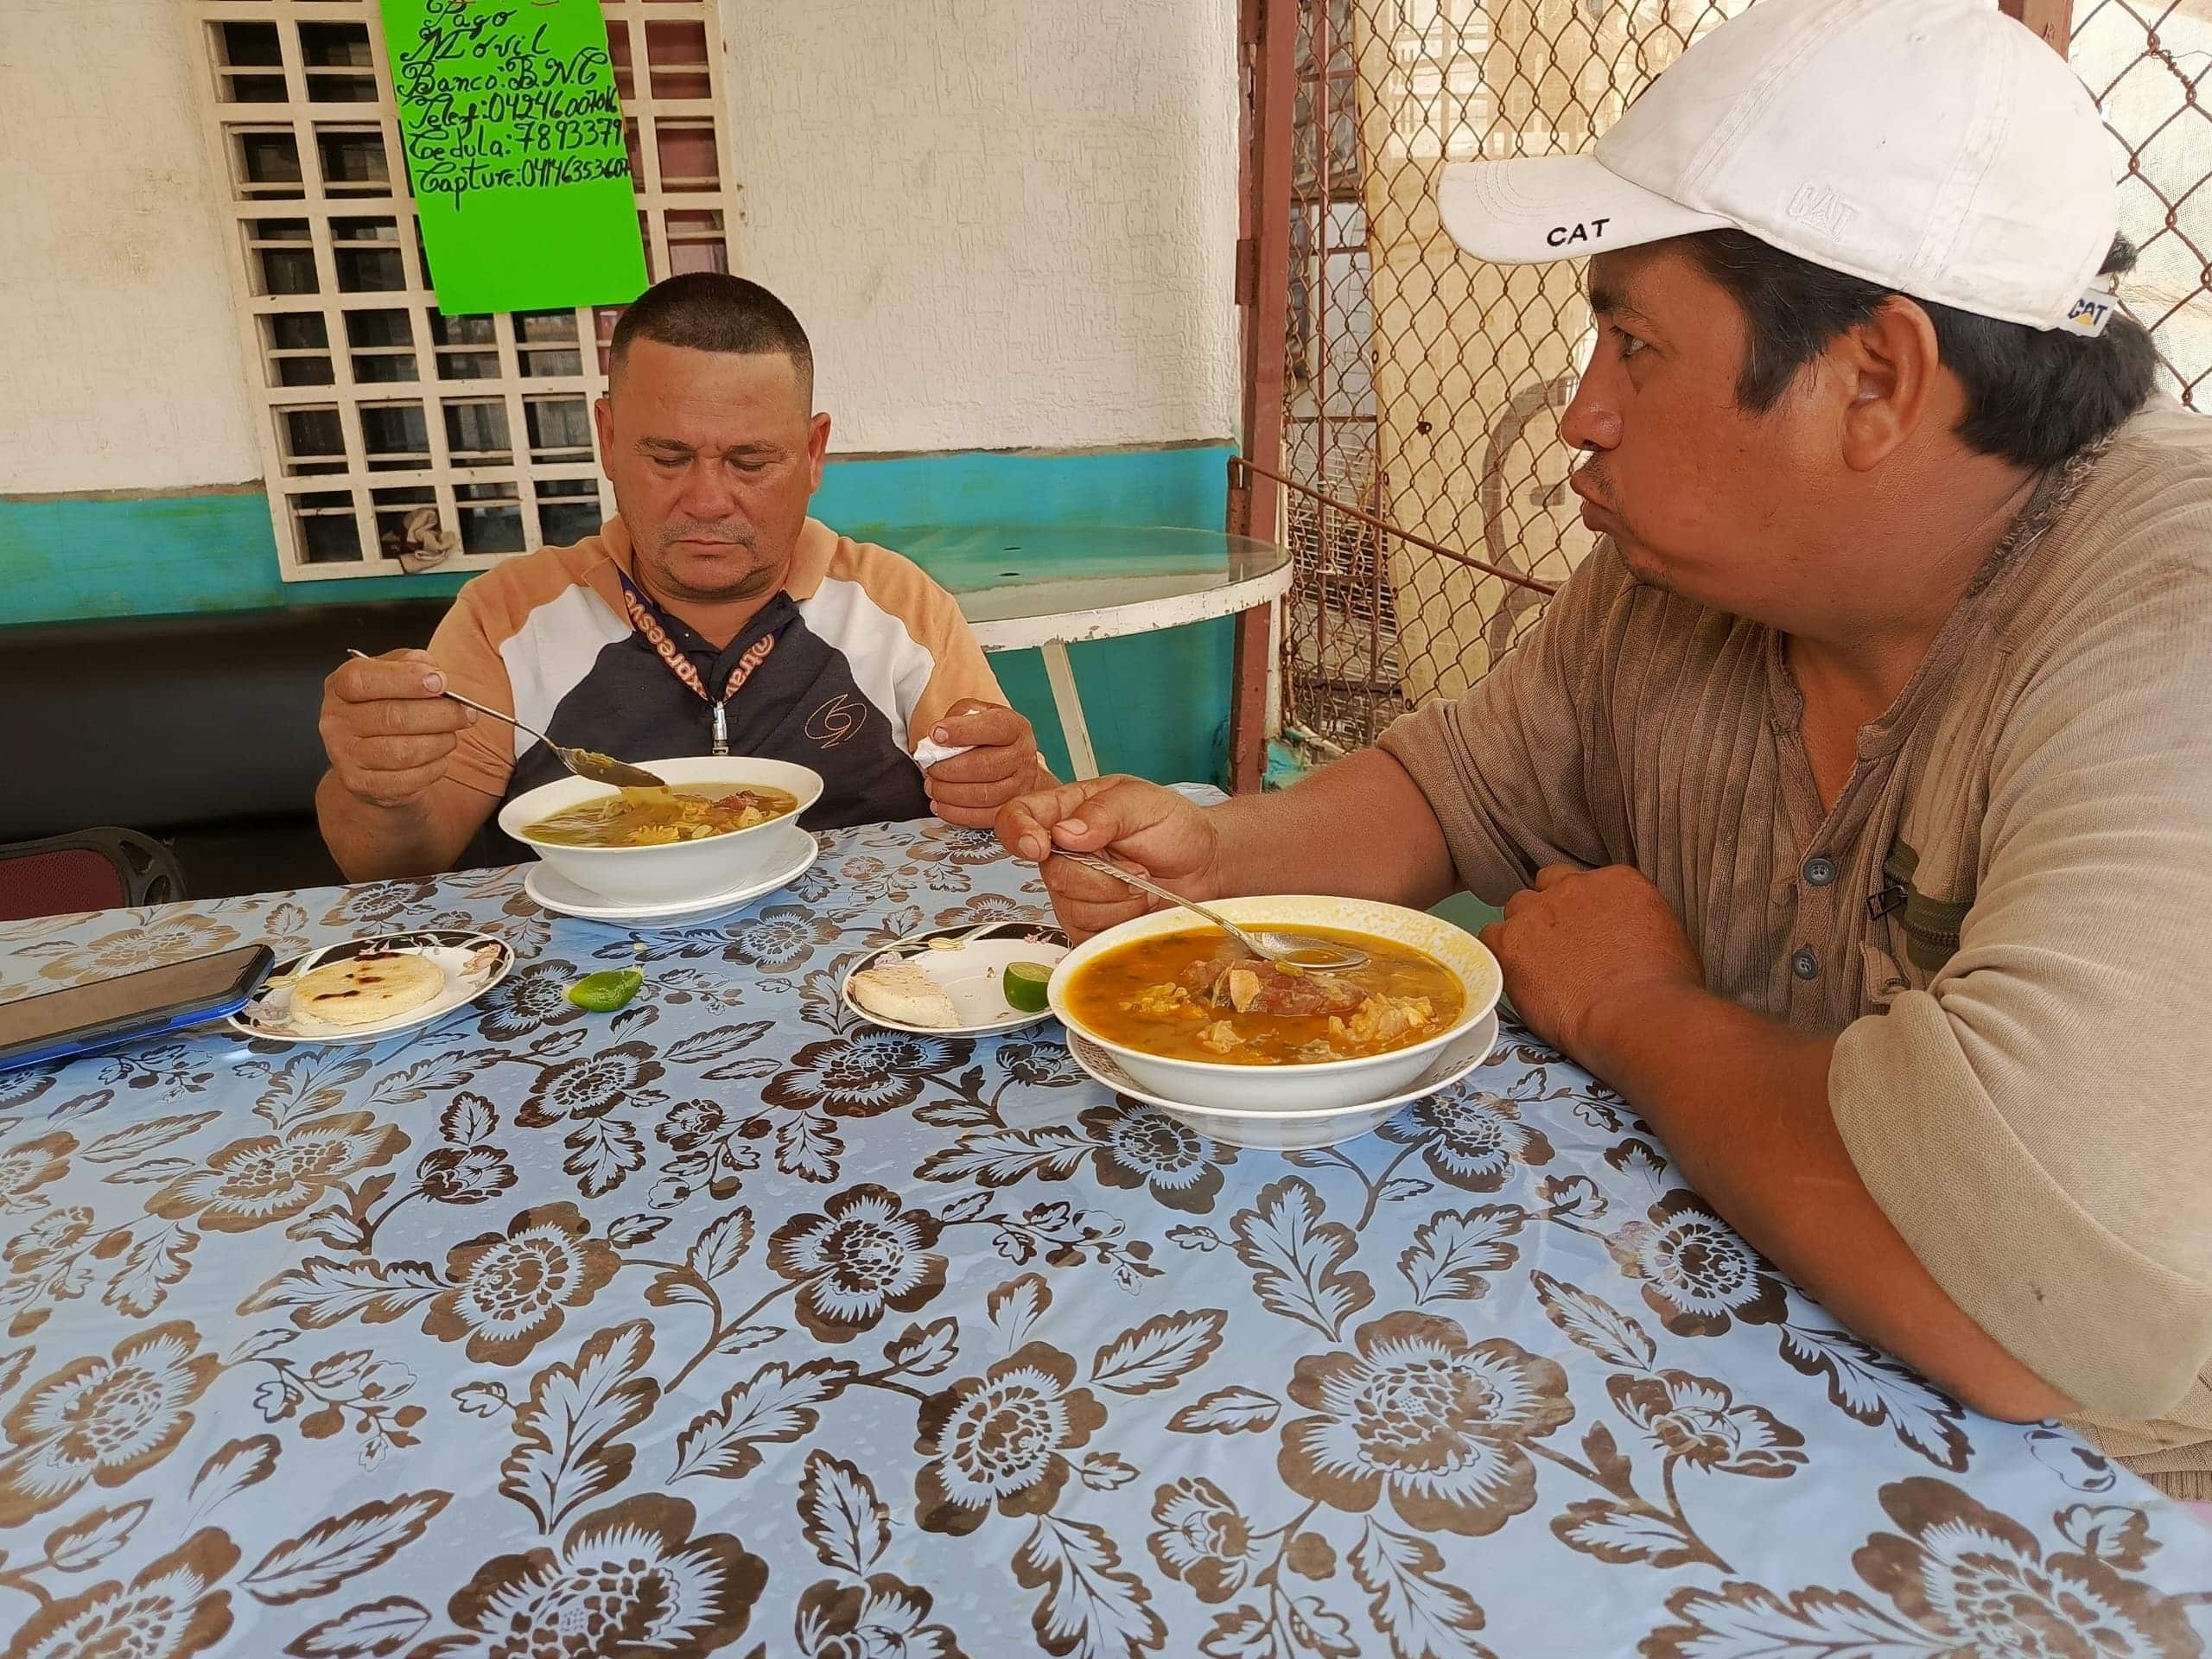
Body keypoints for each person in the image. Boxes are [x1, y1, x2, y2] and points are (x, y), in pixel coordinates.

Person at [1001, 0, 2212, 1501]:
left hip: (2105, 1512)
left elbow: (2022, 1309)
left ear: (1877, 382)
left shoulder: (2172, 611)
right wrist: (1210, 861)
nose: (1580, 416)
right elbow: (1460, 788)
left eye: (1634, 345)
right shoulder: (1675, 592)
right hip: (1727, 1378)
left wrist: (1634, 1007)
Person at [317, 273, 1043, 880]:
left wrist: (1005, 784)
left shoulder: (893, 603)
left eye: (750, 462)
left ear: (814, 452)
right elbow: (393, 868)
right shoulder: (508, 614)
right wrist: (378, 788)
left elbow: (1020, 812)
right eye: (666, 458)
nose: (706, 501)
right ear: (606, 439)